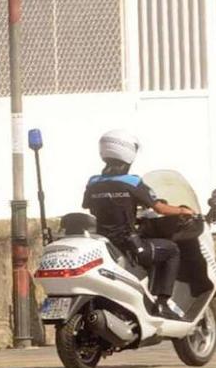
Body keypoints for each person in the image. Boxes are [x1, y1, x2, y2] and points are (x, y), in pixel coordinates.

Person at [82, 130, 195, 320]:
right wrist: (185, 211)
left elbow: (90, 207)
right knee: (172, 250)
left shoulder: (93, 182)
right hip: (127, 244)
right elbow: (160, 208)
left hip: (103, 243)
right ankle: (162, 303)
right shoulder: (132, 182)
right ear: (128, 153)